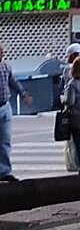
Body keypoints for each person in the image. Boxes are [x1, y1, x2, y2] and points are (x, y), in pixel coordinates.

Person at [0, 44, 34, 183]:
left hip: (5, 106)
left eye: (2, 51)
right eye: (0, 51)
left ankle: (4, 172)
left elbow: (13, 81)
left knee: (5, 141)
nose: (3, 54)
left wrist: (23, 93)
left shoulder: (5, 66)